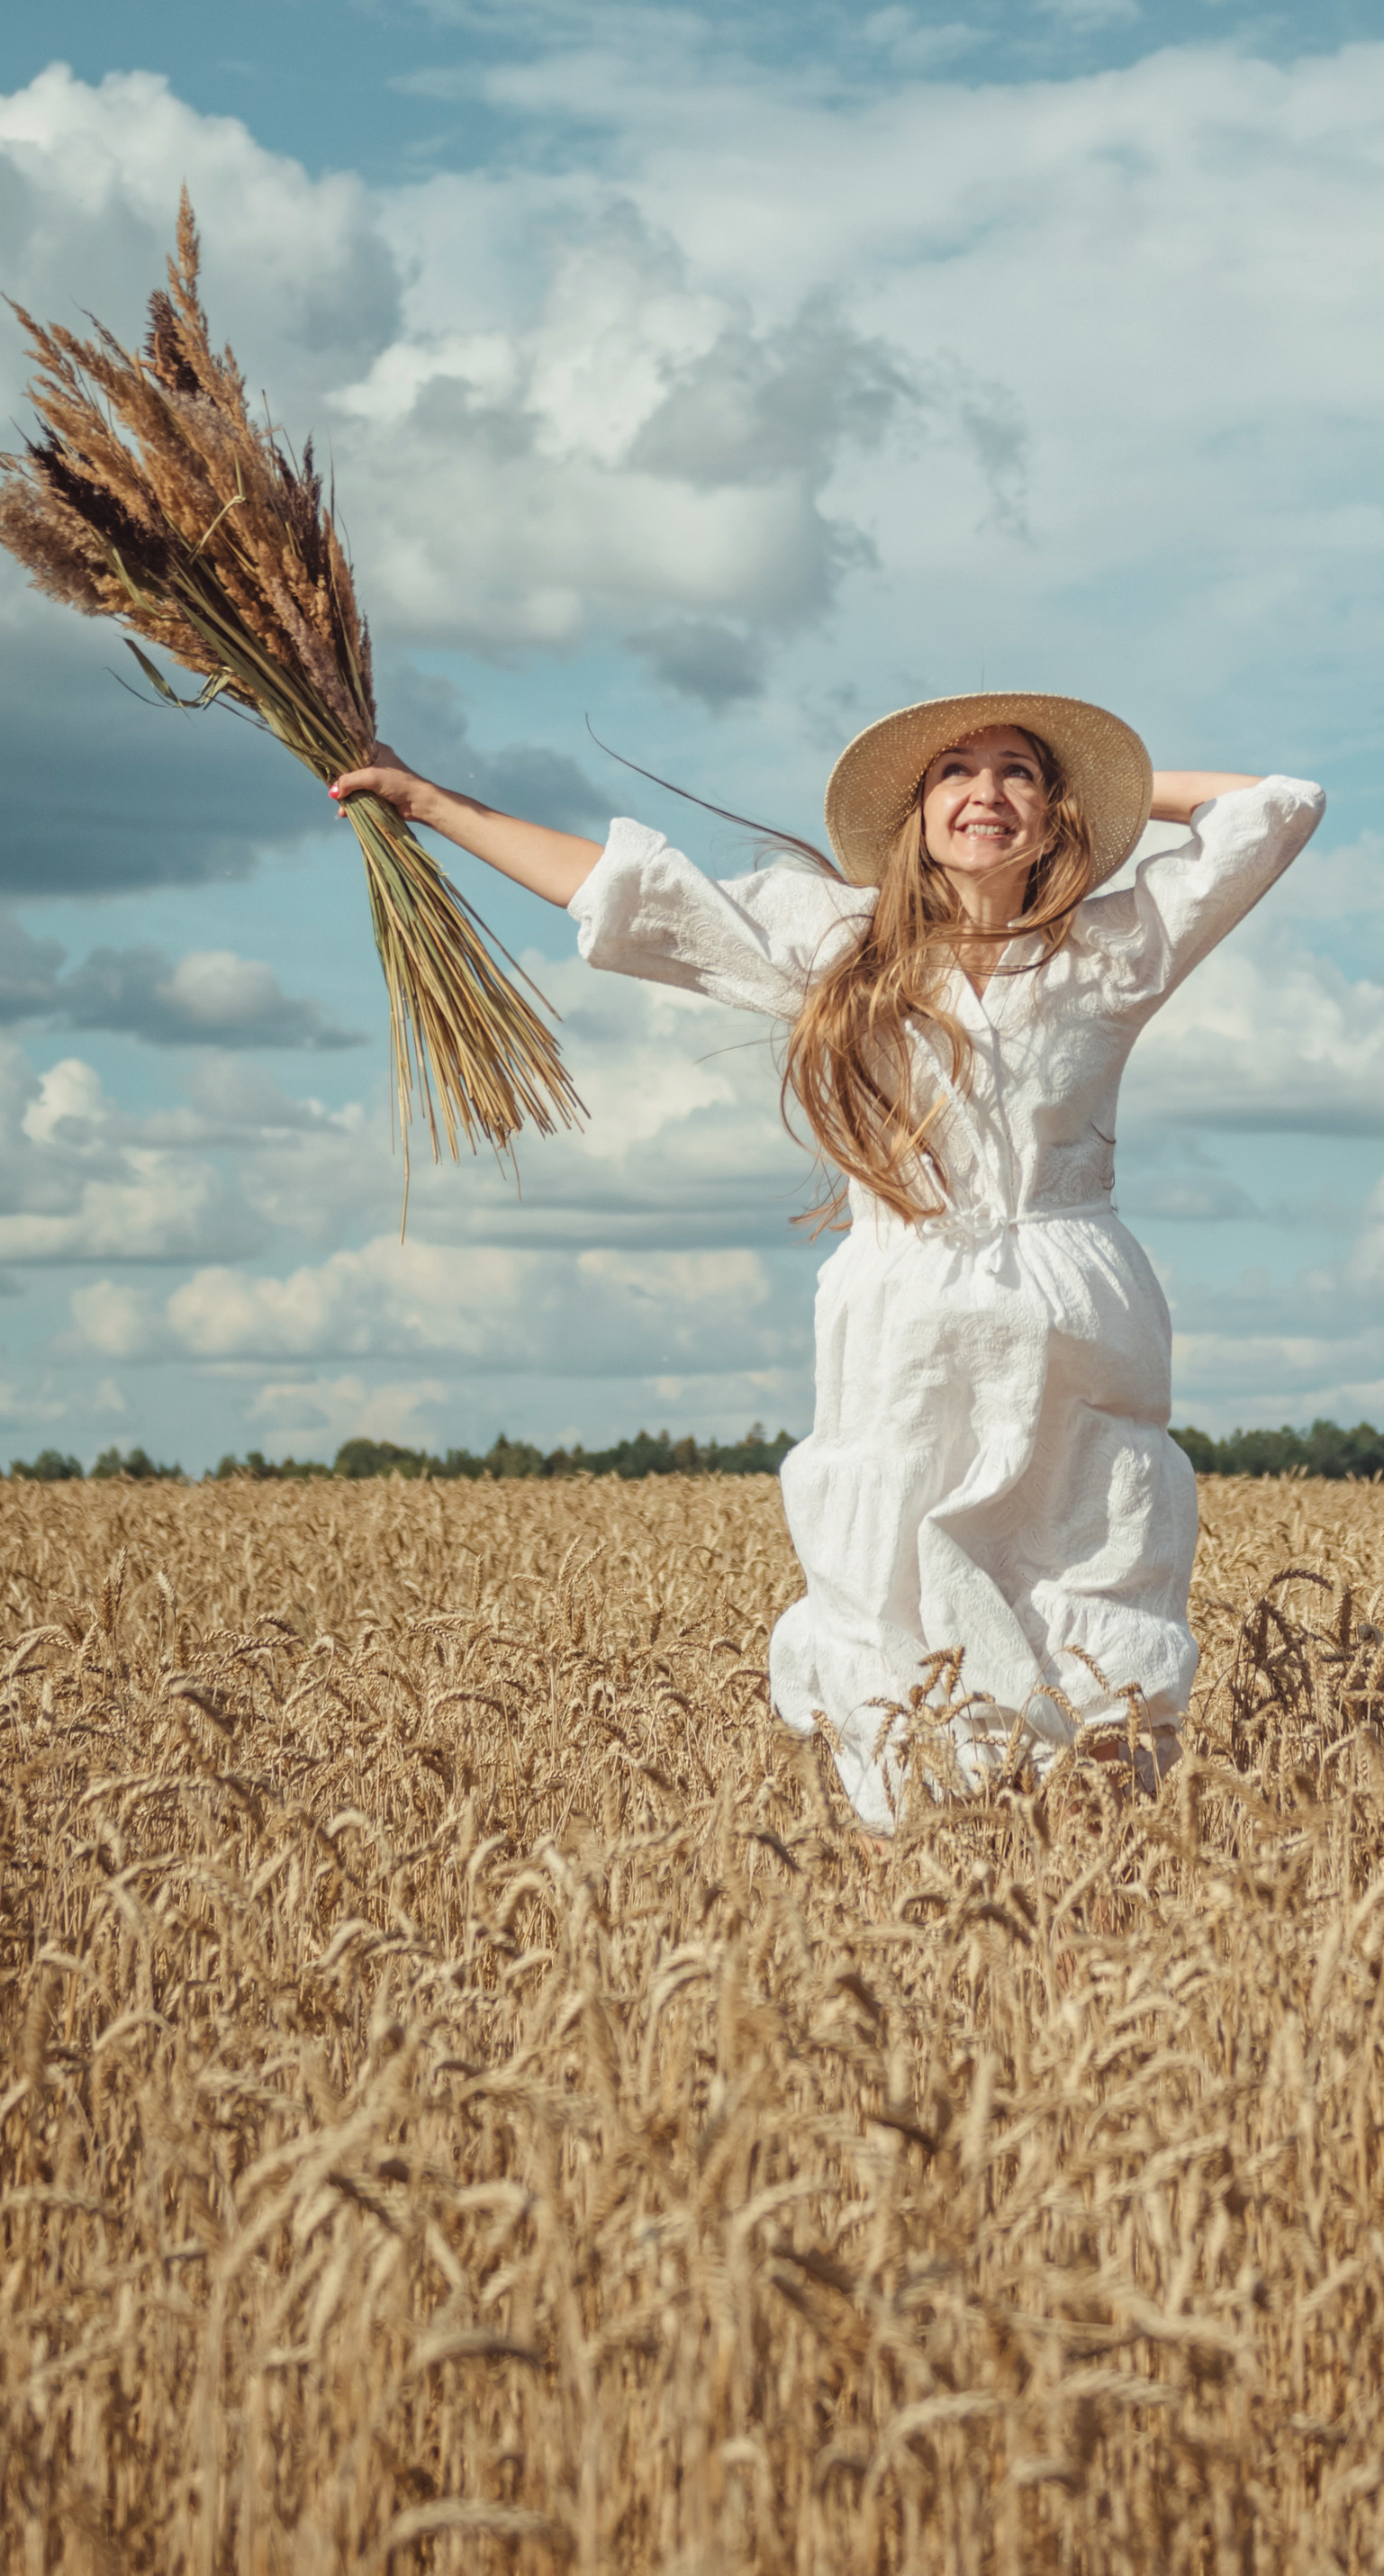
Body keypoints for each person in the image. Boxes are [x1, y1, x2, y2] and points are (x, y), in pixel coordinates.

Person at [330, 692, 1324, 1827]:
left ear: (1055, 816)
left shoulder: (1112, 948)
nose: (985, 795)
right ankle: (919, 1852)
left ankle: (1096, 1845)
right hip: (900, 1314)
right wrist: (429, 802)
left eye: (1017, 775)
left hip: (1076, 1312)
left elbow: (1278, 810)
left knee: (1092, 1563)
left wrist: (1120, 792)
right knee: (889, 1578)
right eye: (955, 772)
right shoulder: (839, 944)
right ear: (915, 812)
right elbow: (634, 898)